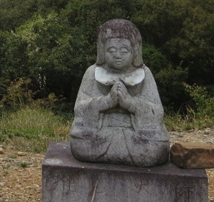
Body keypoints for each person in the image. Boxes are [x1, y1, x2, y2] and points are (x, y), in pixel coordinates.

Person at [69, 19, 169, 167]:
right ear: (102, 51)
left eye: (124, 51)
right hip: (100, 135)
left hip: (136, 136)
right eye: (111, 50)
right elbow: (79, 109)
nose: (118, 55)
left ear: (134, 51)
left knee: (156, 150)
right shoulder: (92, 73)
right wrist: (106, 102)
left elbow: (157, 113)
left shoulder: (145, 73)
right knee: (80, 145)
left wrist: (130, 103)